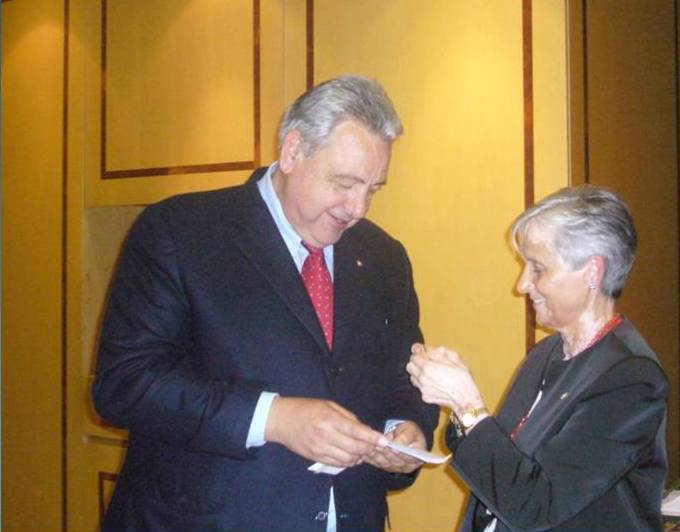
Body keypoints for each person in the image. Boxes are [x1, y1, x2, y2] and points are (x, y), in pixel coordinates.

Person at [93, 75, 439, 531]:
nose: (358, 208)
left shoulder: (384, 257)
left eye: (373, 189)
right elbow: (125, 384)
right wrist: (273, 418)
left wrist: (405, 428)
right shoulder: (180, 232)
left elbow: (405, 374)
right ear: (292, 151)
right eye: (344, 183)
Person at [407, 185, 668, 532]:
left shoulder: (630, 377)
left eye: (538, 269)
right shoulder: (545, 354)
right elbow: (505, 466)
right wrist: (459, 403)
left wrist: (466, 402)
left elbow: (537, 505)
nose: (522, 284)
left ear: (593, 272)